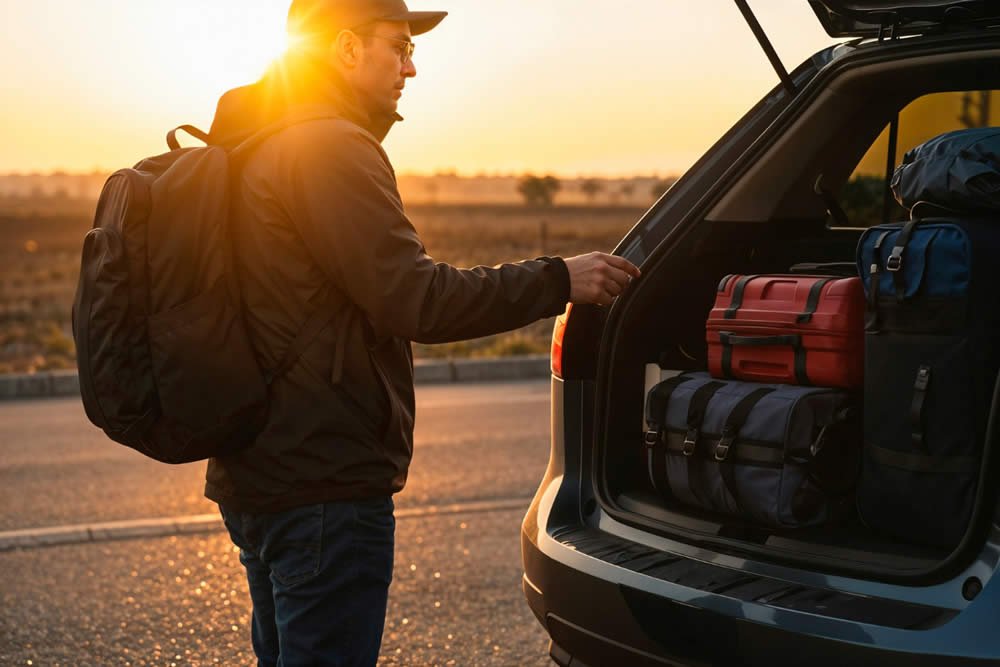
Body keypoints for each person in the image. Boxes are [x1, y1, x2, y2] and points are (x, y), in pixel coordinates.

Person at [205, 0, 641, 664]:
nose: (411, 66)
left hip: (257, 469)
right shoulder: (329, 146)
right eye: (398, 46)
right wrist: (558, 278)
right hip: (323, 482)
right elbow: (420, 300)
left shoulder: (255, 141)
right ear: (346, 49)